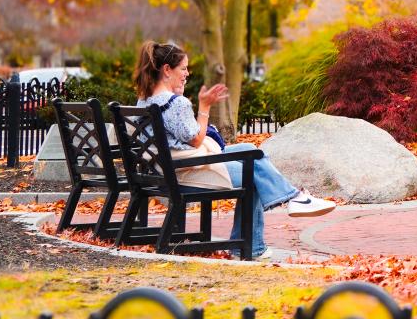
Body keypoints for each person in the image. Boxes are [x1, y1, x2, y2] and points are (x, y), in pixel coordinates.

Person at [133, 41, 335, 260]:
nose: (187, 74)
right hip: (186, 172)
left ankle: (294, 198)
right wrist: (205, 108)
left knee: (251, 151)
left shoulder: (144, 101)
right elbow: (195, 140)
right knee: (254, 173)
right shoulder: (174, 103)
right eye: (183, 68)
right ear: (166, 70)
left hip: (165, 170)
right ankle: (264, 233)